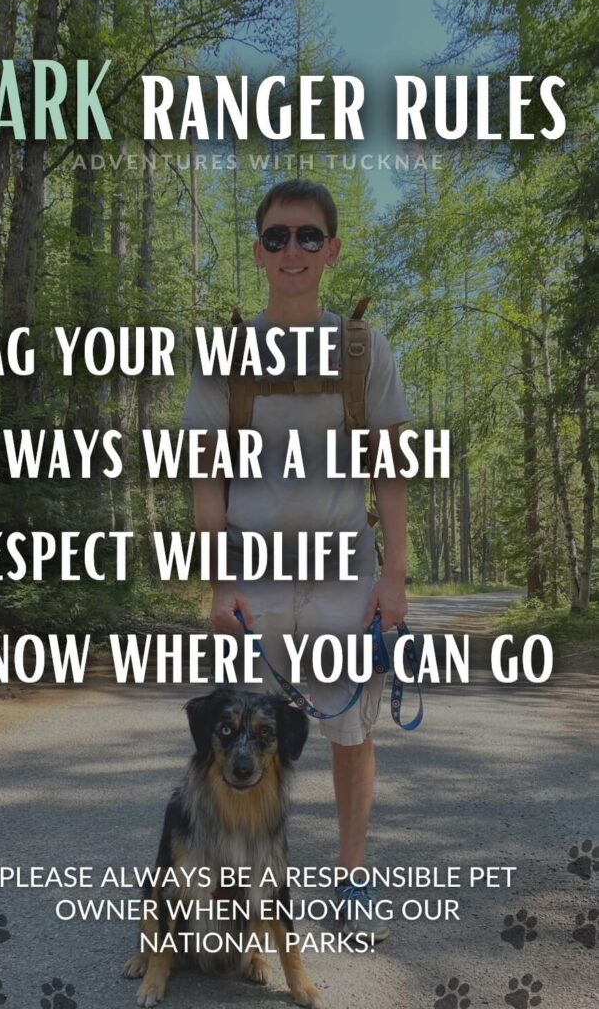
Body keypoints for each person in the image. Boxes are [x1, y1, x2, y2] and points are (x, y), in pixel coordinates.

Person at [183, 179, 410, 940]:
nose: (292, 250)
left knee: (349, 733)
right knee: (241, 736)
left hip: (346, 574)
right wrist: (218, 583)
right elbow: (206, 477)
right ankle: (238, 885)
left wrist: (394, 579)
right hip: (254, 577)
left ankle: (350, 878)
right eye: (277, 237)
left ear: (331, 250)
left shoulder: (362, 351)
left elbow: (390, 468)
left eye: (308, 237)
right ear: (258, 251)